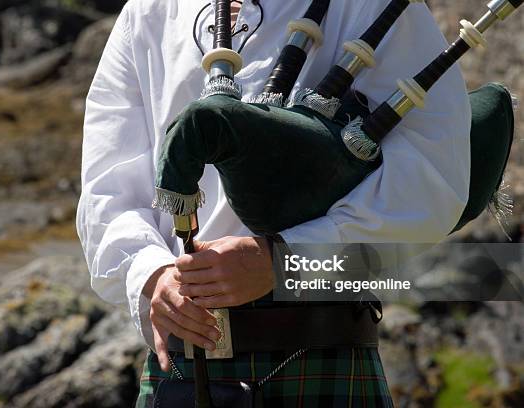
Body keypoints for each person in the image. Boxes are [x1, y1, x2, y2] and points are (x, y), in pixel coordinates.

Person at [77, 0, 470, 406]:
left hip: (322, 359)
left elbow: (436, 188)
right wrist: (153, 273)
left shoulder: (372, 7)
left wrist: (284, 261)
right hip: (179, 370)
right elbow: (106, 193)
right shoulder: (149, 11)